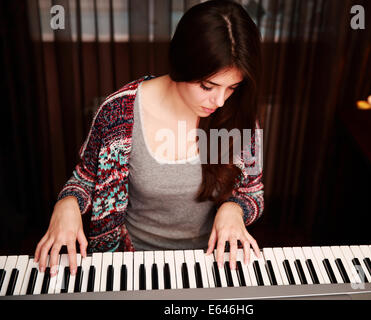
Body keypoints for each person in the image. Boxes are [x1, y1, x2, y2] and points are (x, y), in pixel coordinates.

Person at [34, 0, 264, 279]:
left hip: (211, 262)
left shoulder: (236, 115)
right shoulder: (118, 112)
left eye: (232, 87)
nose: (219, 100)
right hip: (131, 264)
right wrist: (67, 204)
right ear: (182, 65)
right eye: (207, 86)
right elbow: (84, 180)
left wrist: (233, 208)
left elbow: (252, 194)